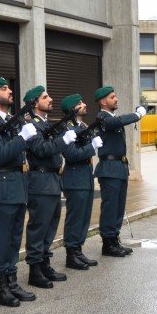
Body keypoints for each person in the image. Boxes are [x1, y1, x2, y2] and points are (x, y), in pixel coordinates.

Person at [0, 77, 40, 307]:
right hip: (1, 185)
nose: (10, 91)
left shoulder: (12, 121)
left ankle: (11, 280)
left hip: (17, 183)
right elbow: (0, 154)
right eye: (4, 89)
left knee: (14, 238)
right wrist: (22, 137)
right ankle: (0, 286)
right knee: (2, 239)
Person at [22, 86, 77, 289]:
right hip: (40, 180)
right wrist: (63, 141)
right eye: (45, 97)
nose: (51, 99)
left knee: (51, 225)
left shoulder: (46, 124)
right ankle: (34, 270)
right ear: (35, 103)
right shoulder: (32, 126)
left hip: (53, 180)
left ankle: (45, 263)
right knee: (39, 227)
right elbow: (41, 149)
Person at [93, 85, 146, 257]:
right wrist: (137, 115)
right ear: (103, 101)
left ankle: (114, 239)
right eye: (112, 97)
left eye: (115, 96)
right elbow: (118, 121)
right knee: (110, 207)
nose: (116, 99)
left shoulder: (112, 118)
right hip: (109, 169)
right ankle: (108, 244)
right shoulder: (102, 117)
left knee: (118, 207)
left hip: (119, 168)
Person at [60, 94, 103, 270]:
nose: (84, 104)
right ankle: (71, 254)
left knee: (84, 217)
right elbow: (71, 154)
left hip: (85, 175)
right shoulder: (66, 128)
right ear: (72, 109)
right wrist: (91, 147)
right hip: (74, 177)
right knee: (75, 217)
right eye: (80, 103)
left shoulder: (83, 126)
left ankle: (78, 250)